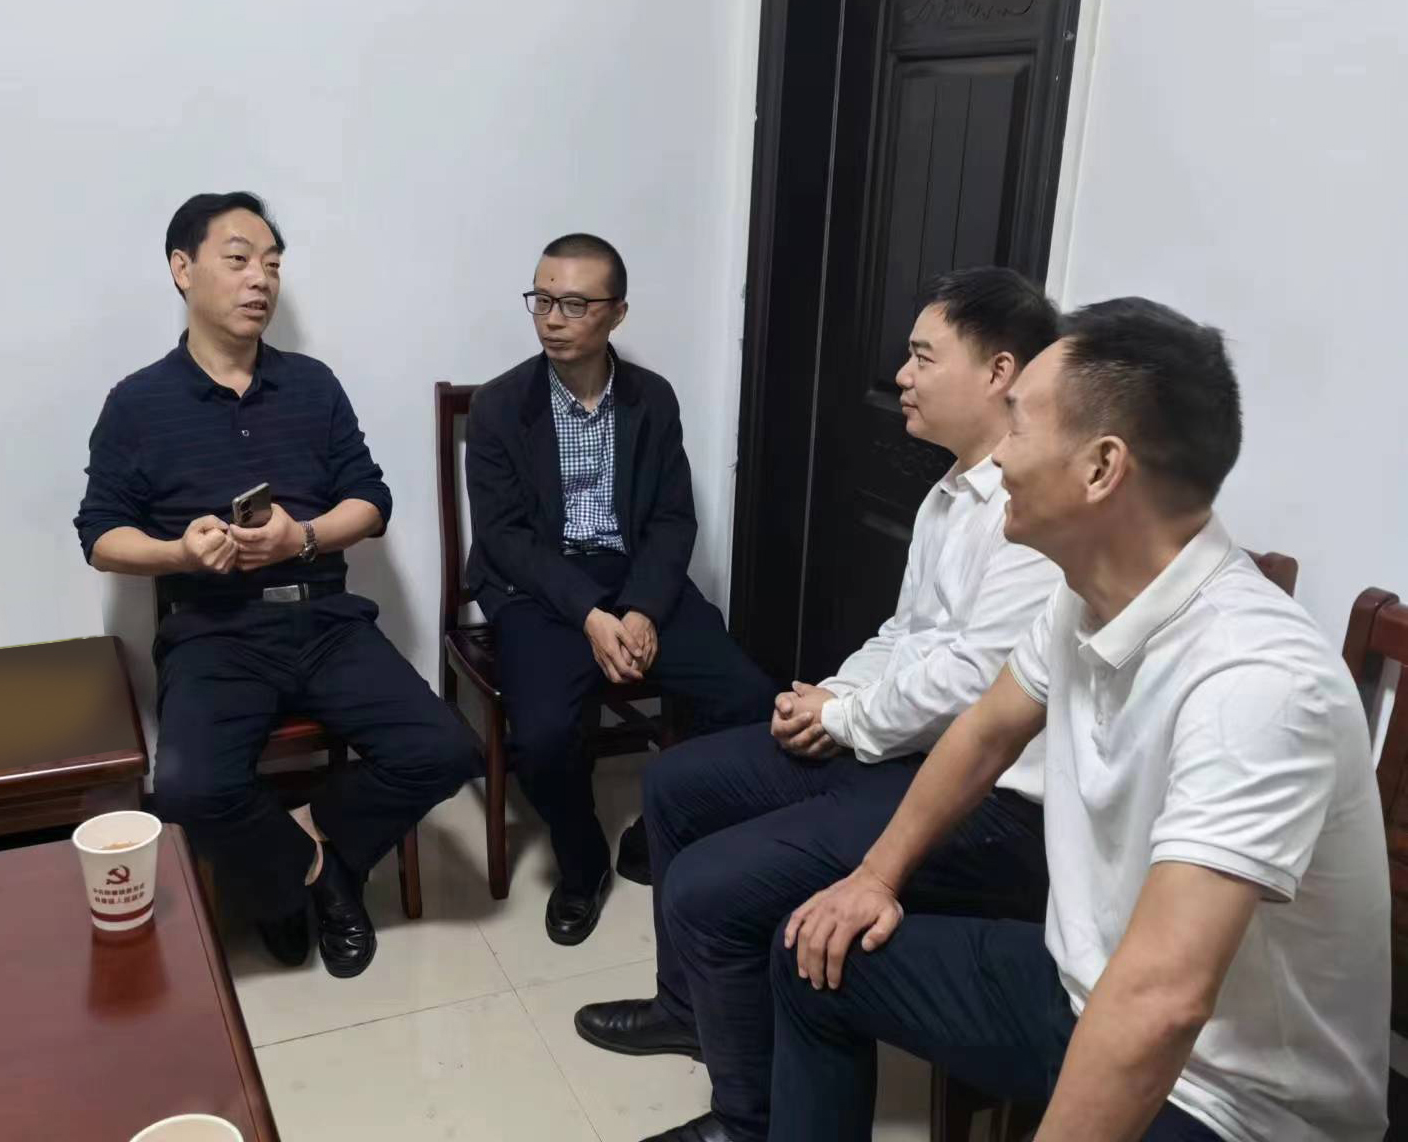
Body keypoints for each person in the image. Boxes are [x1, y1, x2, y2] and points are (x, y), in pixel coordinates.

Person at [770, 299, 1390, 1142]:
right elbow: (985, 733)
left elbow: (1163, 1003)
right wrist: (873, 878)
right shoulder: (1084, 598)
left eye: (1019, 424)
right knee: (812, 954)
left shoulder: (1259, 681)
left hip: (1230, 1101)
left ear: (1101, 468)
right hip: (1079, 989)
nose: (999, 454)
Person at [576, 267, 1064, 1142]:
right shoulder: (950, 492)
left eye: (922, 358)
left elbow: (973, 681)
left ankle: (748, 1120)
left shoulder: (1031, 510)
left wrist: (844, 720)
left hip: (983, 796)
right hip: (907, 745)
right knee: (675, 785)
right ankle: (688, 1010)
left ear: (998, 371)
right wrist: (833, 694)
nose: (901, 376)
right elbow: (908, 632)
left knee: (711, 886)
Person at [74, 192, 478, 979]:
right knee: (187, 792)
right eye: (238, 260)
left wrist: (304, 537)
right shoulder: (137, 403)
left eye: (272, 264)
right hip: (213, 632)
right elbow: (100, 538)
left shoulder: (313, 386)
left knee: (444, 749)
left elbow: (372, 501)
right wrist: (180, 552)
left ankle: (307, 854)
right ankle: (305, 878)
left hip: (324, 619)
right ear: (182, 269)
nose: (260, 279)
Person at [464, 233, 777, 946]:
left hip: (636, 577)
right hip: (539, 587)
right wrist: (589, 615)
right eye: (542, 300)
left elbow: (672, 518)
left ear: (617, 313)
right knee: (542, 736)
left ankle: (657, 831)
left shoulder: (651, 400)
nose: (552, 319)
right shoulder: (499, 406)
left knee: (748, 697)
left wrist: (640, 608)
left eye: (574, 304)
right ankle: (581, 865)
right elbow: (505, 538)